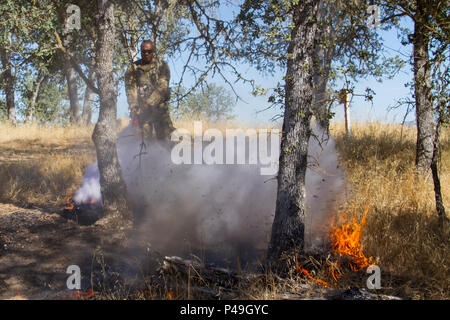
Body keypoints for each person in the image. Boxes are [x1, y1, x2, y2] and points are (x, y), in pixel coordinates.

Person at [125, 40, 175, 141]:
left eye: (149, 51)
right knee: (144, 143)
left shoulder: (162, 66)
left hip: (160, 110)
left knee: (166, 140)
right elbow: (130, 89)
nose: (146, 54)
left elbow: (162, 88)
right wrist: (134, 107)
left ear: (153, 51)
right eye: (143, 51)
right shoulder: (133, 68)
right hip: (142, 113)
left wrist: (148, 104)